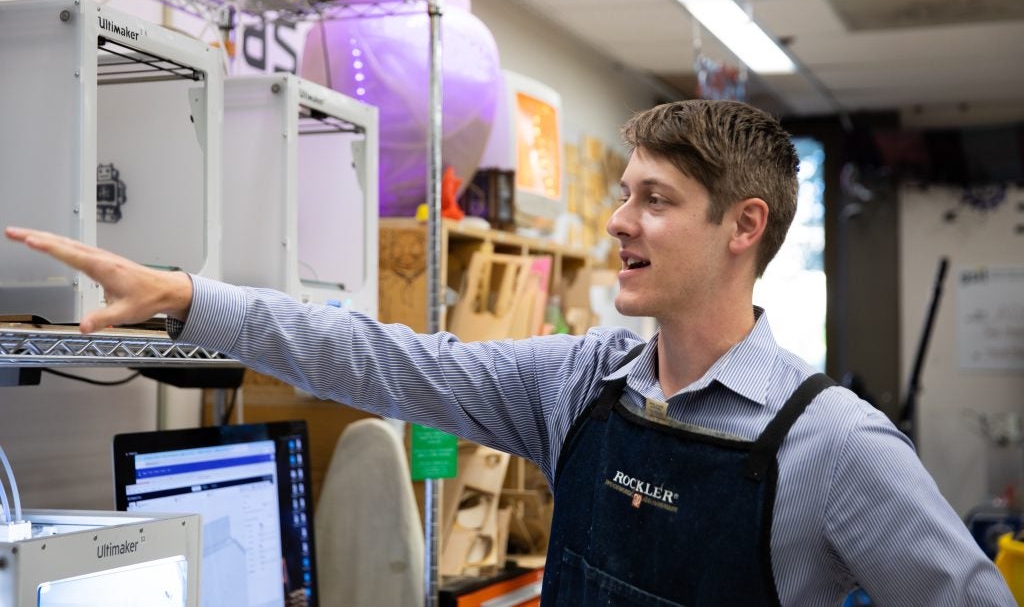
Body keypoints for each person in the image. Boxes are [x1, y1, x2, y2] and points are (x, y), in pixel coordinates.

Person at [5, 100, 1013, 606]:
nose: (620, 221)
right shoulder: (581, 383)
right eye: (623, 193)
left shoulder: (834, 446)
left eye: (654, 201)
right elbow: (378, 359)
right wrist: (188, 298)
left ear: (742, 225)